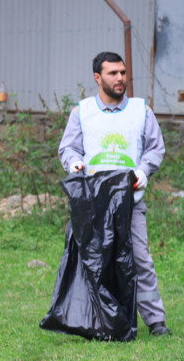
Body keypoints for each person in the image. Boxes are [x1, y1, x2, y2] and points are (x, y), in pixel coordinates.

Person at [57, 51, 170, 336]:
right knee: (94, 261)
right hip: (93, 205)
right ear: (98, 77)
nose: (120, 78)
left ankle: (156, 321)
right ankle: (95, 319)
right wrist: (74, 162)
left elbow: (155, 149)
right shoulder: (82, 112)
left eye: (123, 73)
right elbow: (68, 148)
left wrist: (144, 171)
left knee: (140, 260)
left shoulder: (141, 111)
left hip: (130, 204)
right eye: (113, 73)